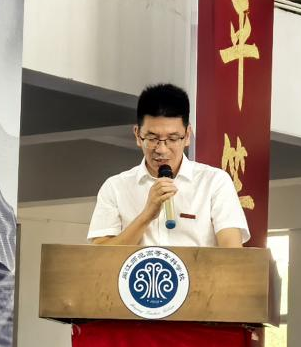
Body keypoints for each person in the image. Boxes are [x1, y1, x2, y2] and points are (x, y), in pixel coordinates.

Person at [87, 83, 249, 248]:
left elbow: (232, 252)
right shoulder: (115, 187)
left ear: (187, 135)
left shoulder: (214, 182)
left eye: (172, 139)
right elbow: (99, 255)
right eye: (152, 138)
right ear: (137, 135)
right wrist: (147, 215)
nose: (162, 149)